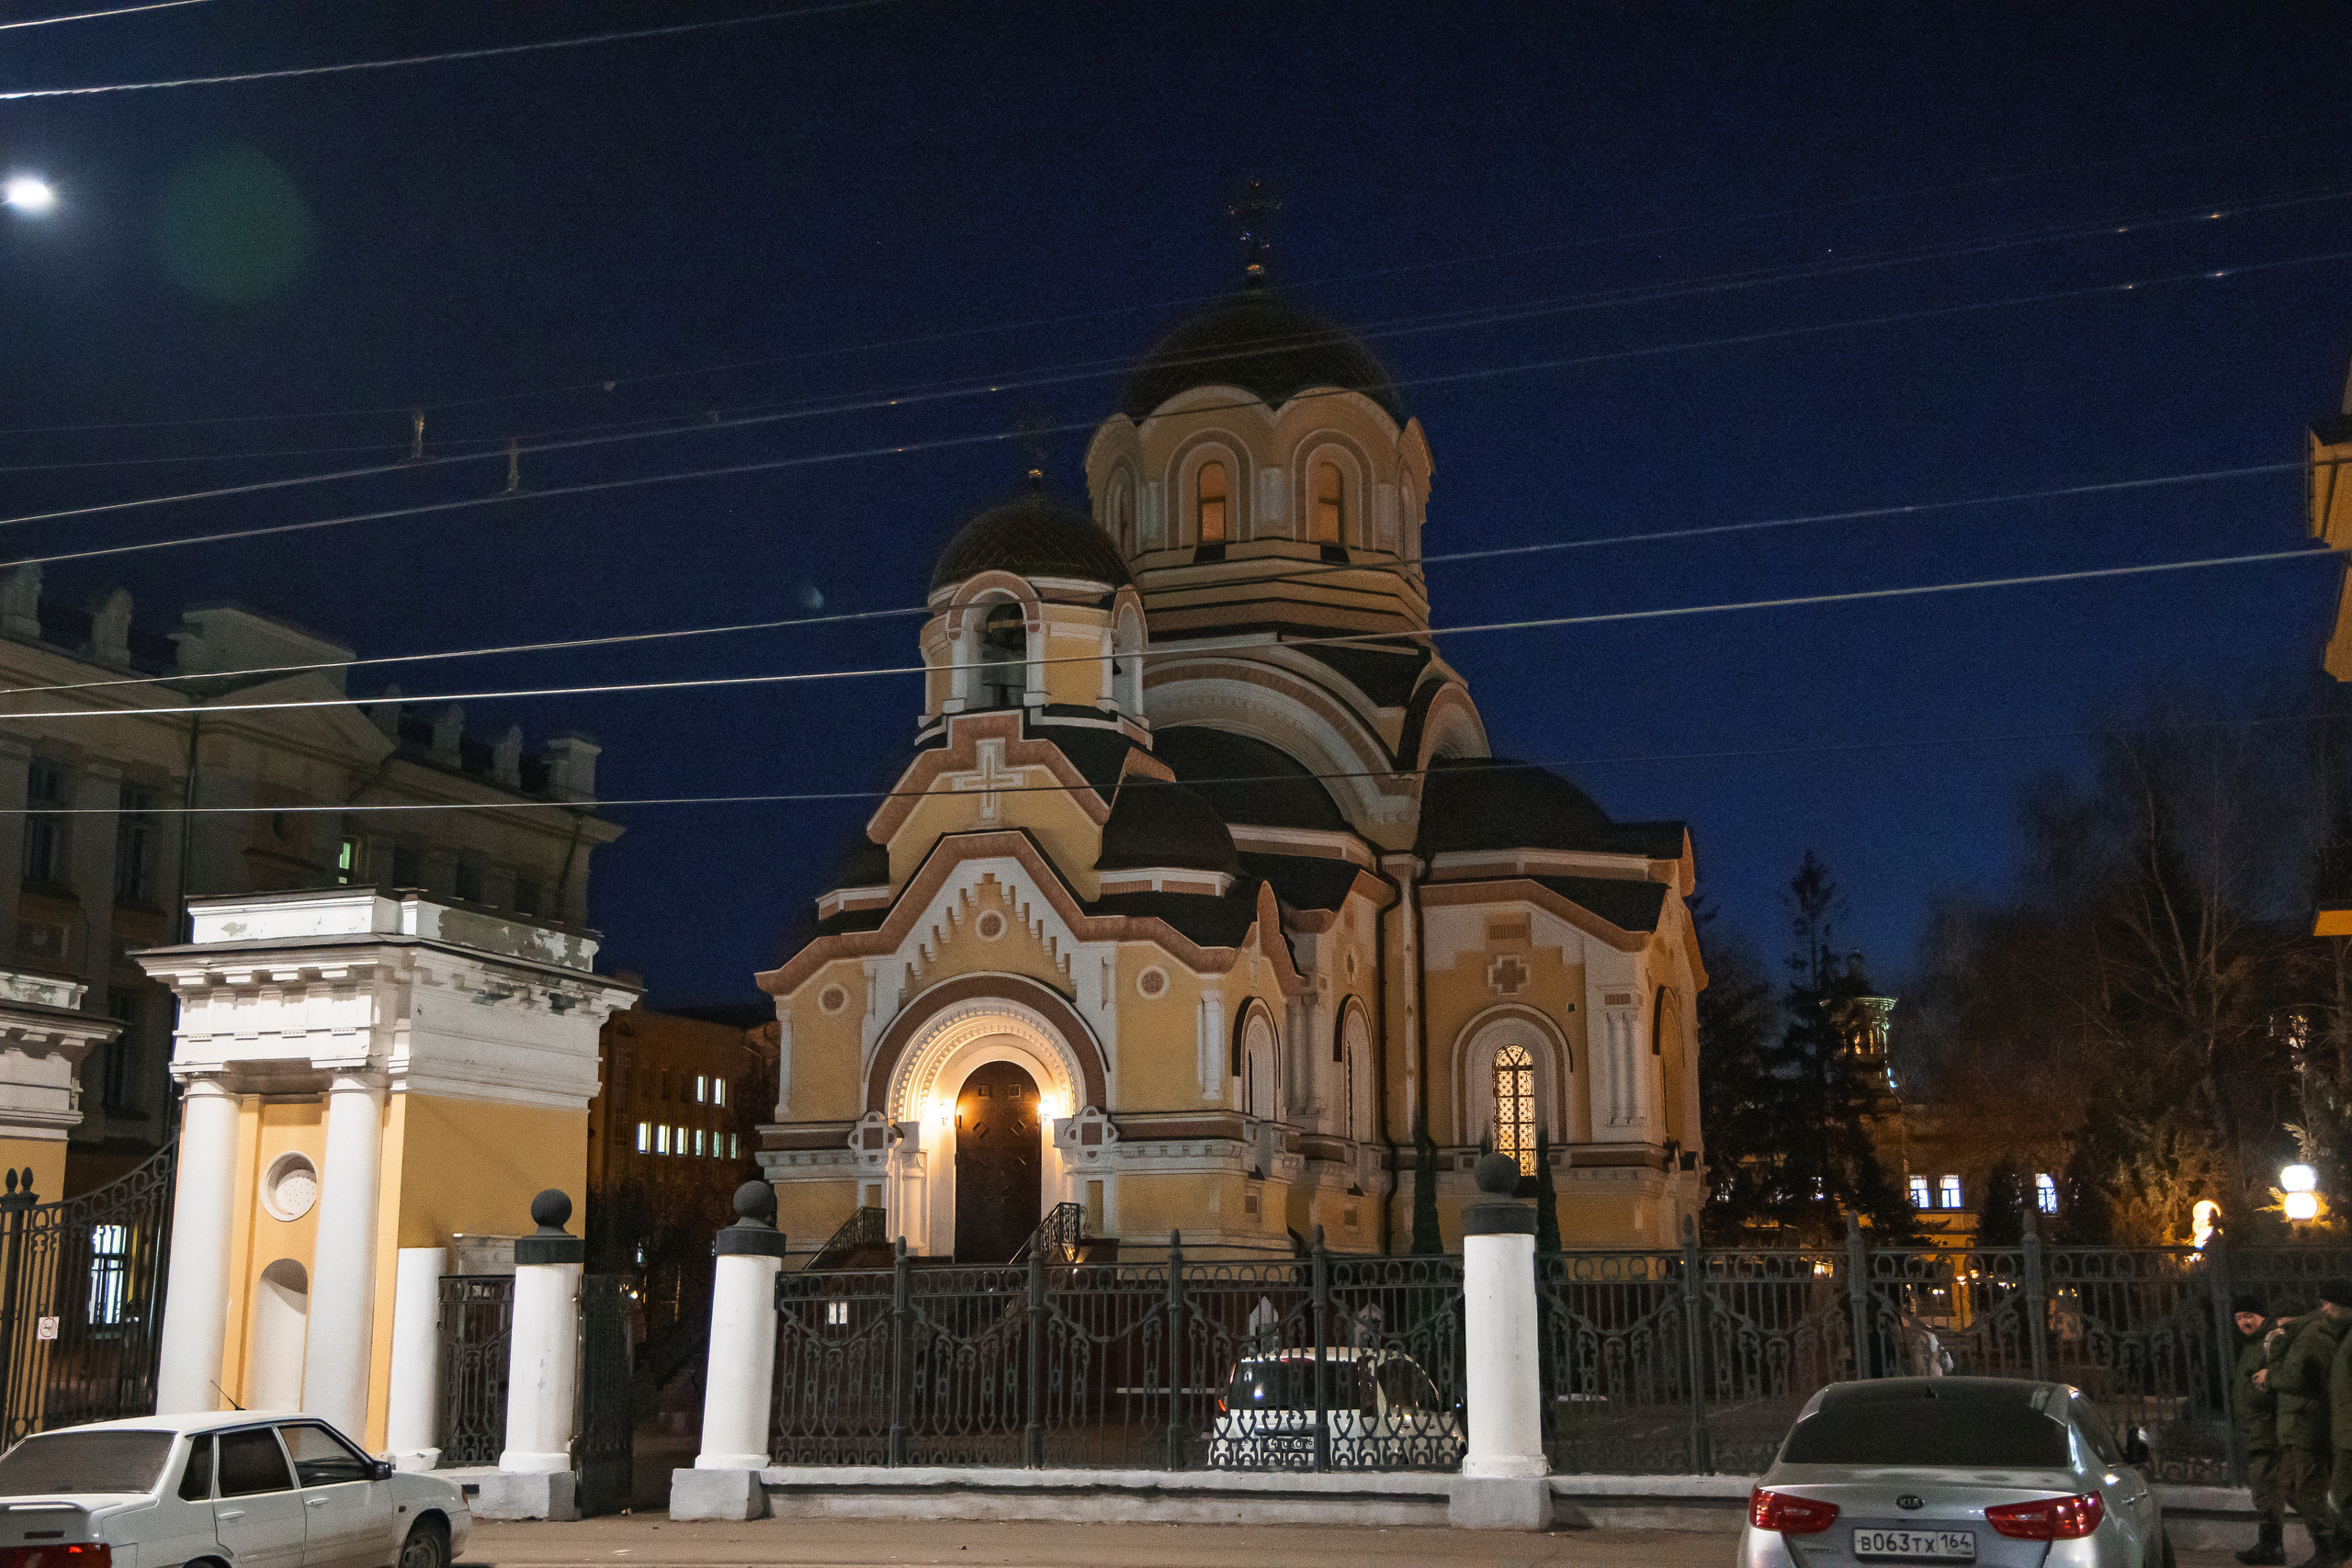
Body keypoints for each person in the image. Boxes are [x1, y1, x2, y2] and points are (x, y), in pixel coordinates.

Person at [2263, 1281, 2352, 1568]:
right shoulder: (2309, 1333)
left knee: (2320, 1492)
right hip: (2309, 1426)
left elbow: (2299, 1376)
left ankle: (2333, 1550)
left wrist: (2271, 1373)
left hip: (2313, 1427)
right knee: (2291, 1487)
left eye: (2329, 1302)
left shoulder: (2314, 1336)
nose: (2324, 1308)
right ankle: (2335, 1543)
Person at [2241, 1294, 2287, 1564]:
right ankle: (2269, 1546)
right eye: (2238, 1318)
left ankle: (2272, 1547)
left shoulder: (2270, 1342)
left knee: (2267, 1488)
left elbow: (2274, 1384)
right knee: (2265, 1488)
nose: (2244, 1322)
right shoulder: (2251, 1344)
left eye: (2249, 1316)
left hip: (2268, 1429)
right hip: (2256, 1429)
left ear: (2262, 1316)